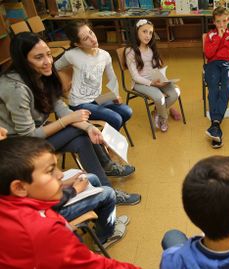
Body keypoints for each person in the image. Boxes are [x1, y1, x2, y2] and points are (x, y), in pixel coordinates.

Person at [0, 32, 140, 205]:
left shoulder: (41, 75)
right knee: (76, 129)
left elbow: (60, 107)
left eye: (49, 54)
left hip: (38, 134)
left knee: (82, 138)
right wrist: (69, 122)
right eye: (38, 57)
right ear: (23, 61)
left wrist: (89, 128)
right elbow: (29, 135)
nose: (48, 61)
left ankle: (107, 190)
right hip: (17, 147)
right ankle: (107, 173)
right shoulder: (15, 88)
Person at [0, 136, 140, 268]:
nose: (60, 174)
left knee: (90, 178)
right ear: (18, 187)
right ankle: (105, 236)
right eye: (50, 171)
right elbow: (96, 266)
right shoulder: (45, 232)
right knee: (107, 194)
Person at [55, 21, 133, 132]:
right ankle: (104, 142)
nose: (93, 39)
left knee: (127, 111)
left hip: (97, 98)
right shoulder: (71, 55)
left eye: (91, 33)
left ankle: (104, 136)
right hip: (79, 103)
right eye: (85, 38)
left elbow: (112, 78)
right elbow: (54, 67)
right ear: (78, 44)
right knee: (116, 119)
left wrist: (116, 94)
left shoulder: (104, 55)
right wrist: (63, 85)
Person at [125, 19, 182, 132]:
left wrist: (161, 76)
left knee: (176, 92)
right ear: (137, 32)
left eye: (150, 33)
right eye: (144, 31)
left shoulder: (151, 48)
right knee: (159, 97)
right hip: (140, 83)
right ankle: (163, 117)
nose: (148, 36)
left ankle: (157, 110)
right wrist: (151, 83)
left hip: (154, 80)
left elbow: (155, 68)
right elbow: (135, 77)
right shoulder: (130, 51)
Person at [203, 7, 229, 148]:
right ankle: (216, 126)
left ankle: (215, 125)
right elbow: (208, 54)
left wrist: (217, 51)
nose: (222, 25)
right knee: (213, 89)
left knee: (225, 87)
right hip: (212, 65)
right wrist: (218, 38)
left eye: (224, 21)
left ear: (228, 20)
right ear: (214, 22)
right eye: (218, 22)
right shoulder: (210, 35)